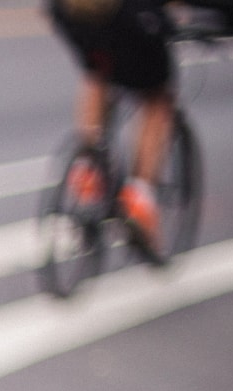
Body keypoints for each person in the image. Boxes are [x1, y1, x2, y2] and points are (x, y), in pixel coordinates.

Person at [48, 0, 179, 255]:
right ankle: (139, 196)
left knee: (98, 73)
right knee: (156, 98)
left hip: (71, 12)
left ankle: (89, 169)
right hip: (125, 15)